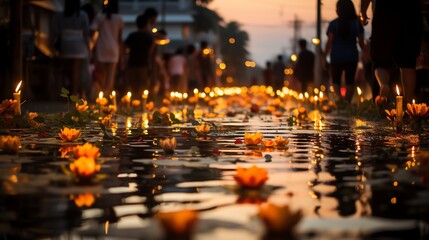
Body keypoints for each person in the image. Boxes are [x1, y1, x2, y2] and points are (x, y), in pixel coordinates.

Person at [360, 0, 423, 103]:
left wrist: (363, 12)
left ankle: (383, 84)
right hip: (411, 10)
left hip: (384, 11)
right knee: (408, 63)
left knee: (381, 62)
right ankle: (408, 106)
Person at [323, 0, 365, 103]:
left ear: (339, 10)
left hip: (336, 56)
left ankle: (340, 101)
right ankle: (347, 102)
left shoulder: (333, 24)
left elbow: (329, 42)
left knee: (336, 80)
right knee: (350, 81)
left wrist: (324, 56)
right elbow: (361, 43)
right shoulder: (356, 24)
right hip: (352, 55)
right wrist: (366, 54)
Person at [51, 0, 90, 97]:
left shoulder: (59, 16)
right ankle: (74, 92)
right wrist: (88, 47)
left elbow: (56, 32)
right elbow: (86, 33)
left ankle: (68, 91)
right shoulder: (82, 15)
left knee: (67, 70)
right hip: (79, 45)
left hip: (65, 45)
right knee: (75, 70)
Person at [91, 0, 123, 94]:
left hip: (102, 47)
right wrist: (122, 55)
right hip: (114, 48)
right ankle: (107, 93)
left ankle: (100, 92)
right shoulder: (119, 19)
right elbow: (119, 38)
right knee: (110, 74)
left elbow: (91, 31)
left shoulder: (100, 17)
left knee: (101, 73)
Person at [124, 14, 155, 97]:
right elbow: (150, 52)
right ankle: (141, 104)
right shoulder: (149, 37)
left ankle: (133, 102)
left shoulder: (132, 35)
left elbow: (125, 48)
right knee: (143, 86)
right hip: (143, 64)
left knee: (133, 85)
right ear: (147, 24)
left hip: (132, 63)